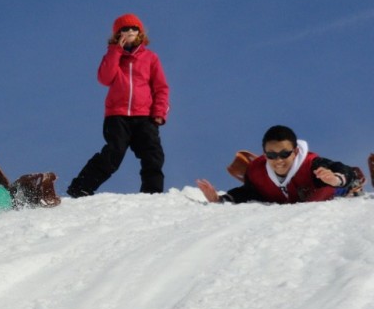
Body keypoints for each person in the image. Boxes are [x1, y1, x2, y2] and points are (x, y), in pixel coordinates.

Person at [68, 13, 170, 197]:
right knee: (113, 154)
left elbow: (161, 88)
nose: (130, 31)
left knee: (153, 154)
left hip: (144, 116)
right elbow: (104, 78)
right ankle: (81, 187)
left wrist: (159, 112)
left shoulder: (150, 58)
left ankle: (152, 193)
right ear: (117, 34)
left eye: (134, 28)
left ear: (140, 32)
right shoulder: (114, 55)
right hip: (117, 115)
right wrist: (115, 51)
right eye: (124, 29)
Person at [196, 125, 362, 204]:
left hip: (323, 192)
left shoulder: (310, 164)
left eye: (284, 154)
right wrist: (220, 199)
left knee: (323, 191)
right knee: (260, 188)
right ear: (264, 153)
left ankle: (352, 186)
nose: (278, 160)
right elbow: (246, 193)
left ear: (295, 152)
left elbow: (340, 168)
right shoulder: (257, 171)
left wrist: (336, 178)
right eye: (272, 155)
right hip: (281, 195)